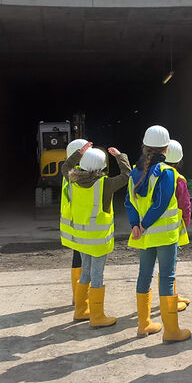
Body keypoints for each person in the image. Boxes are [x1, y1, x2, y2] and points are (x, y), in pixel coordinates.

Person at [125, 125, 191, 343]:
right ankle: (171, 331)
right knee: (167, 278)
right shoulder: (167, 172)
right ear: (166, 149)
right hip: (164, 236)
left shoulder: (134, 172)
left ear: (145, 147)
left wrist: (136, 225)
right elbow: (162, 202)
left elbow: (129, 202)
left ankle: (143, 324)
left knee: (144, 276)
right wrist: (145, 224)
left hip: (143, 236)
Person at [63, 142, 131, 327]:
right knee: (97, 275)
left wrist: (79, 153)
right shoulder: (105, 185)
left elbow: (66, 167)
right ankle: (97, 316)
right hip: (98, 241)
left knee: (85, 272)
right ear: (102, 167)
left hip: (82, 240)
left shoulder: (73, 180)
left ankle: (80, 310)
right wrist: (120, 156)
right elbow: (127, 176)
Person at [164, 139, 192, 312]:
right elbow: (185, 204)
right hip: (172, 228)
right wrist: (185, 223)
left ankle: (172, 294)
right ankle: (170, 299)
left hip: (152, 228)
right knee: (171, 265)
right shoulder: (178, 179)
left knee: (162, 267)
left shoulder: (153, 174)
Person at [61, 138, 88, 310]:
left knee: (76, 257)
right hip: (81, 221)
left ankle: (76, 296)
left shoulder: (69, 174)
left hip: (71, 221)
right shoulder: (80, 175)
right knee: (84, 260)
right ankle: (81, 298)